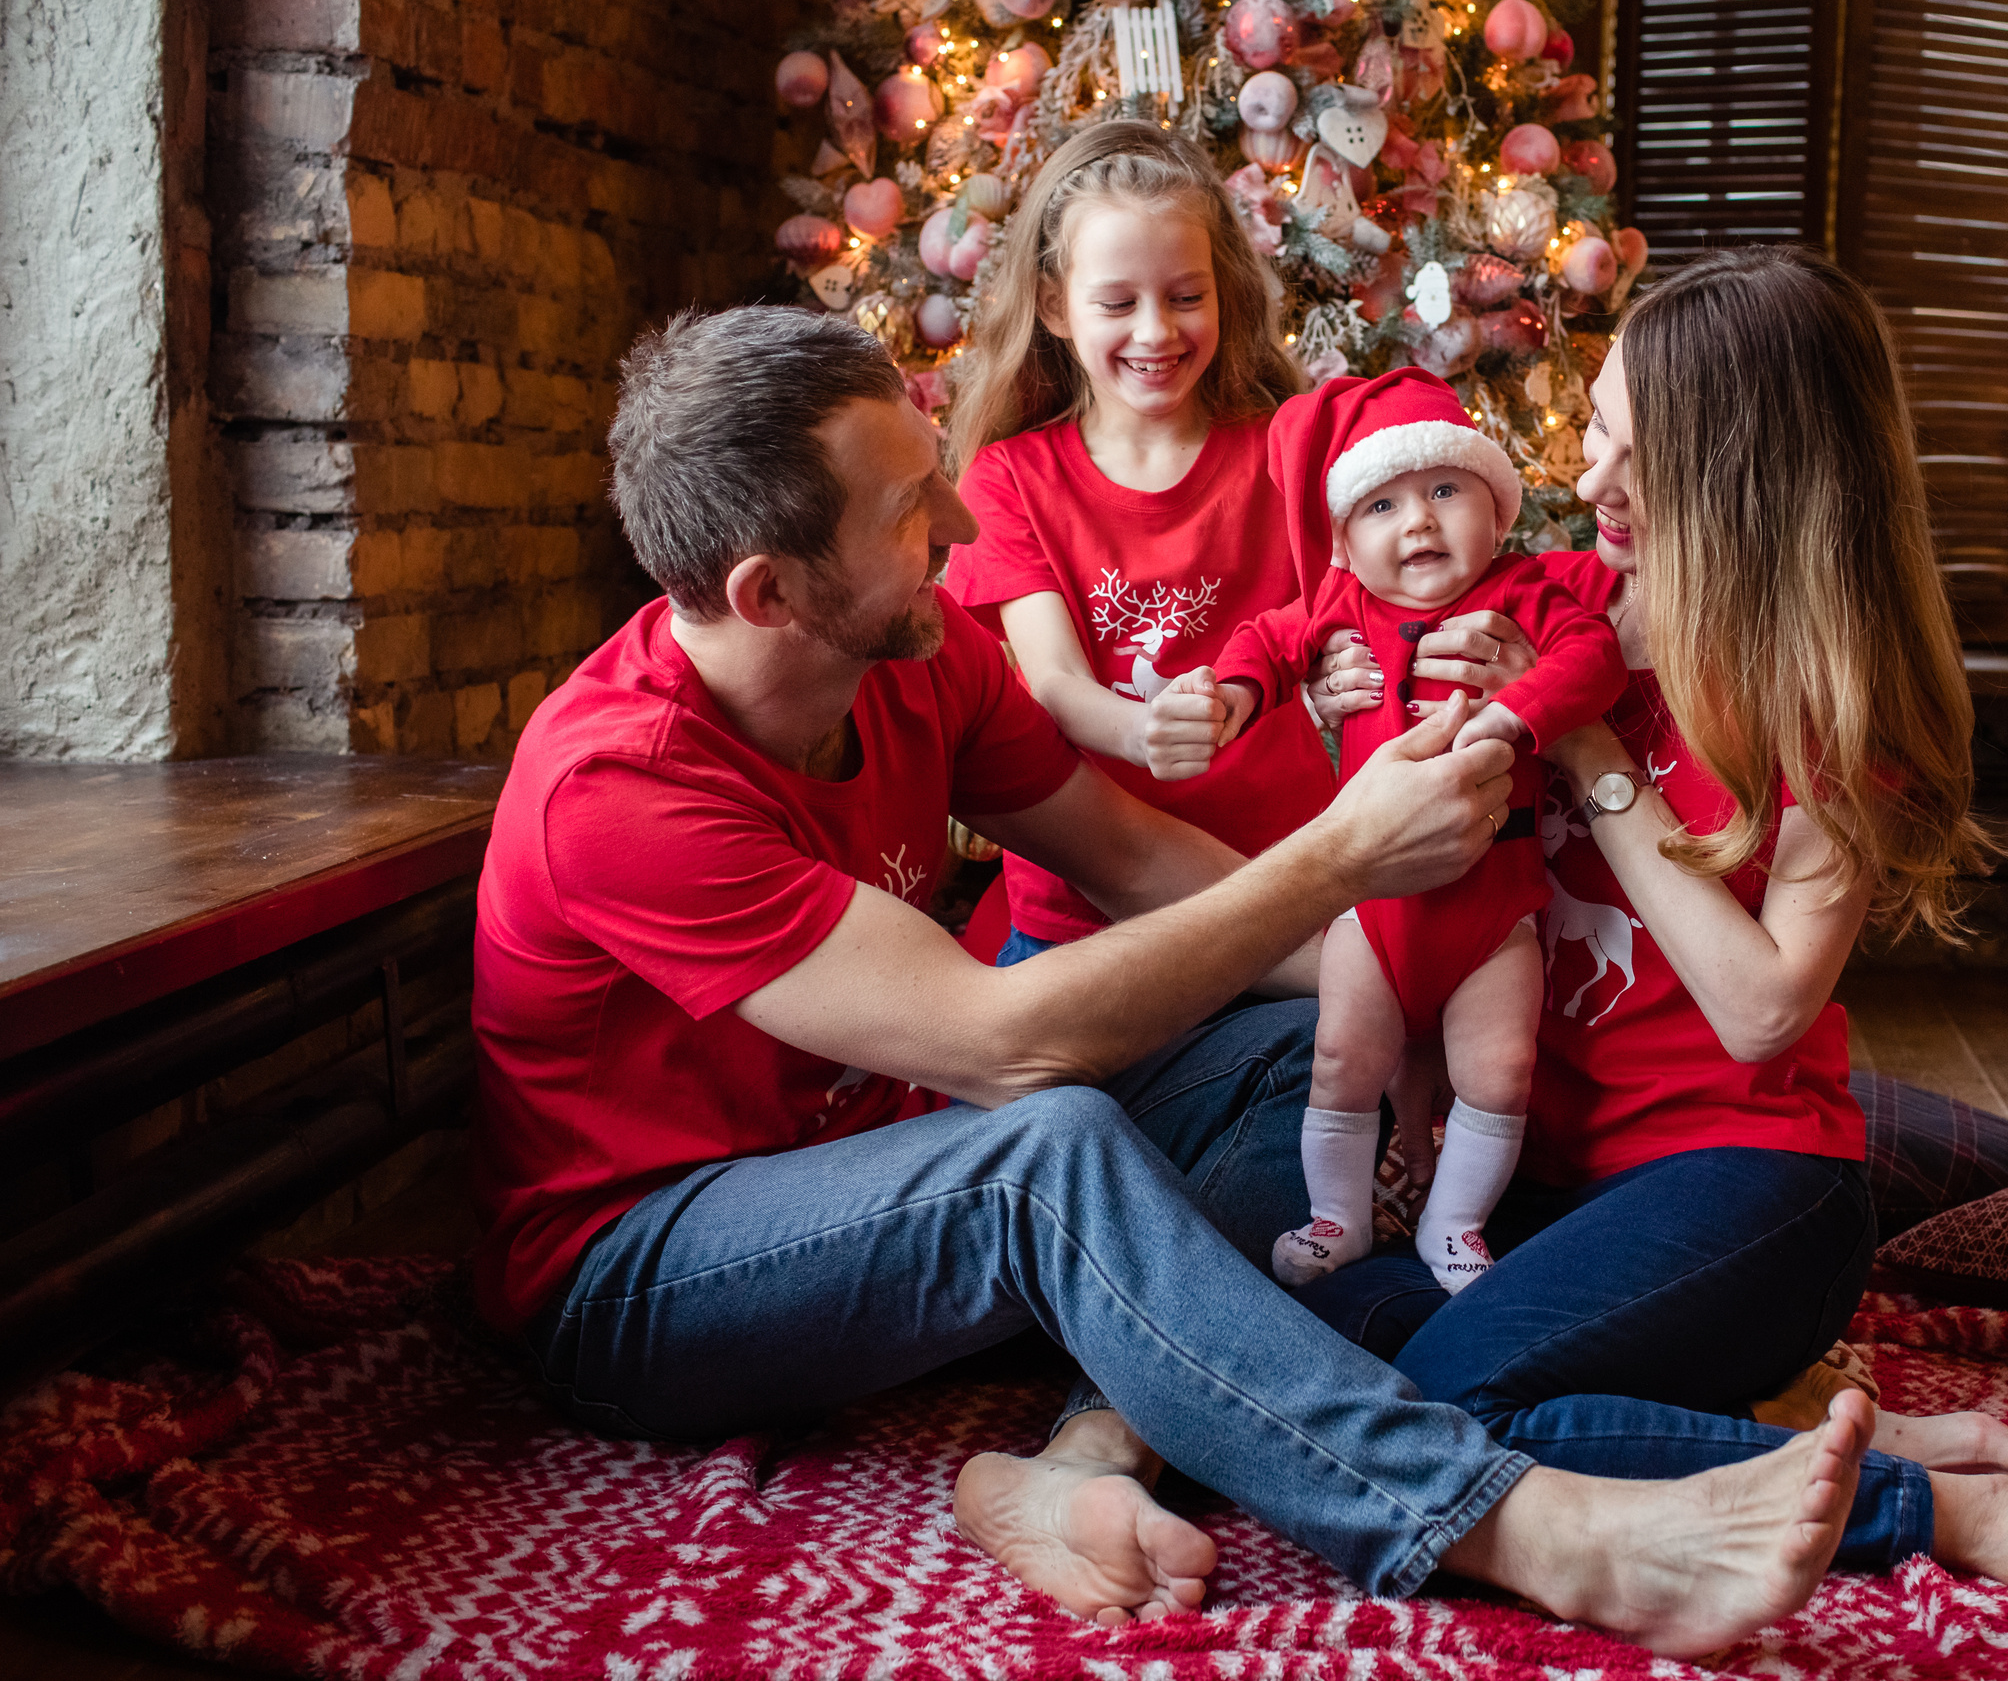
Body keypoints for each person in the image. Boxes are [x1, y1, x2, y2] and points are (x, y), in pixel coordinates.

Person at [468, 301, 1890, 1661]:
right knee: (1044, 1150)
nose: (963, 530)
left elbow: (1147, 862)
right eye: (910, 514)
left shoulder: (917, 657)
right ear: (769, 592)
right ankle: (1522, 1523)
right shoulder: (621, 784)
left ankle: (1086, 1447)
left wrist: (1378, 975)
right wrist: (1342, 855)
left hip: (882, 1163)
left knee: (1299, 1035)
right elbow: (1002, 1043)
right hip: (641, 1271)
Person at [1292, 248, 2008, 1613]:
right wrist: (1353, 686)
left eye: (1638, 460)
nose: (1589, 488)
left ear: (1745, 487)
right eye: (1593, 432)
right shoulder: (1549, 606)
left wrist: (1585, 737)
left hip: (1748, 1180)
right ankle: (1771, 1414)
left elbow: (1761, 1007)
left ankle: (1931, 1499)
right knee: (1318, 1320)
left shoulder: (1826, 699)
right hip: (1544, 1171)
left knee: (1444, 1405)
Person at [1190, 371, 1625, 1293]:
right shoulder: (1343, 609)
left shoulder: (1526, 591)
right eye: (1382, 503)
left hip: (1494, 904)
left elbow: (1593, 659)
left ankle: (1455, 1226)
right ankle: (1337, 1217)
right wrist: (1233, 693)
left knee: (1500, 1069)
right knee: (1343, 1058)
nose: (1418, 522)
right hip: (1374, 908)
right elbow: (1265, 641)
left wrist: (1517, 715)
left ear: (1496, 508)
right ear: (1345, 539)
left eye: (1443, 490)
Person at [942, 121, 1336, 964]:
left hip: (1278, 880)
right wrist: (1142, 731)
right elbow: (1051, 681)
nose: (1156, 333)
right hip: (1088, 906)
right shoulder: (1009, 479)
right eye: (1118, 304)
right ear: (1054, 306)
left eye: (1186, 297)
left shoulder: (1287, 450)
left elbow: (1337, 621)